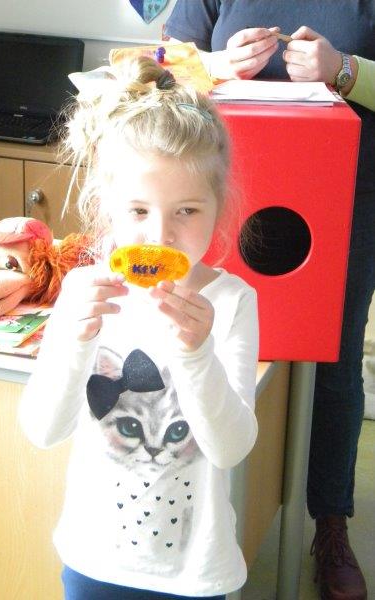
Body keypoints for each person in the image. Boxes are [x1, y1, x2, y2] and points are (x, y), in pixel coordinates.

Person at [19, 55, 259, 600]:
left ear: (219, 207)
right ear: (106, 207)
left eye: (187, 211)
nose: (161, 235)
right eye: (138, 211)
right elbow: (43, 430)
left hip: (195, 571)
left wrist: (197, 354)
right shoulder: (85, 293)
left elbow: (230, 449)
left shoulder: (231, 302)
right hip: (93, 560)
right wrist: (75, 340)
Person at [165, 3, 375, 600]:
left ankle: (330, 523)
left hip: (342, 198)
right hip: (226, 194)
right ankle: (194, 507)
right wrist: (214, 65)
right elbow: (160, 65)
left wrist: (344, 71)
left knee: (332, 362)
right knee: (215, 345)